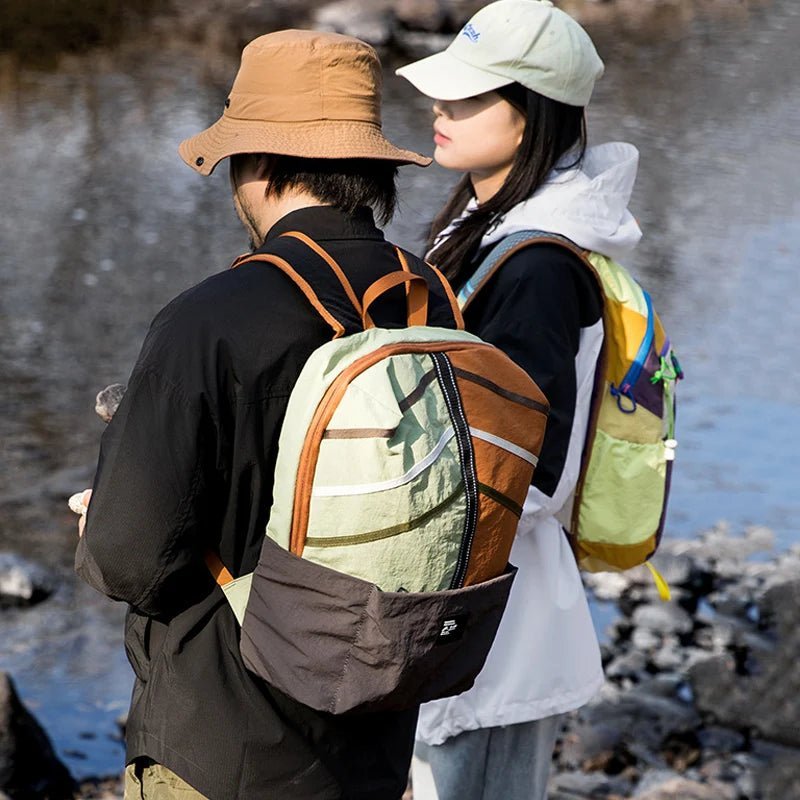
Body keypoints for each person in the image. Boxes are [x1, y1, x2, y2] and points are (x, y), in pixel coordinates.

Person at [74, 29, 461, 800]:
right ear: (371, 167)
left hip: (223, 747)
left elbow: (128, 559)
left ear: (257, 166)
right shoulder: (427, 299)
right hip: (373, 740)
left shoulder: (211, 318)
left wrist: (98, 520)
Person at [396, 1, 644, 797]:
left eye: (468, 97)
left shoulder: (536, 265)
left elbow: (528, 472)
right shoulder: (491, 226)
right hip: (483, 597)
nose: (440, 108)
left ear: (532, 113)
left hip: (485, 611)